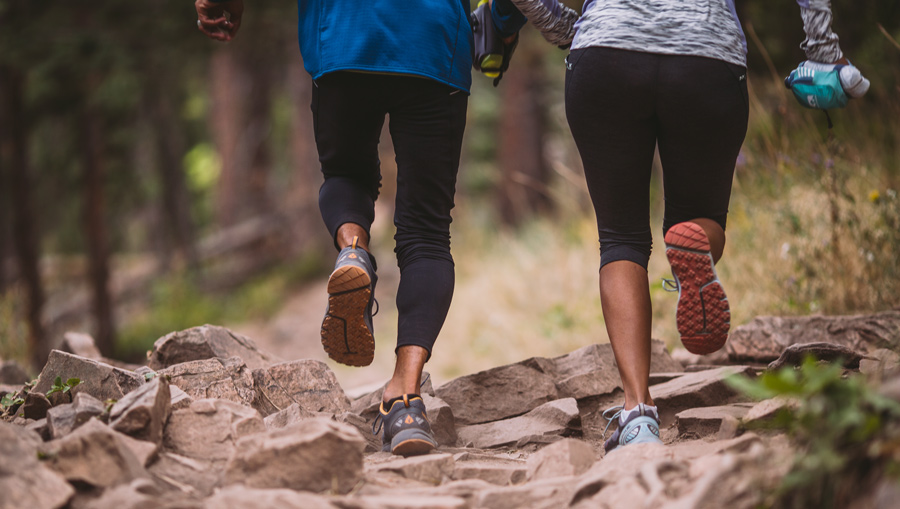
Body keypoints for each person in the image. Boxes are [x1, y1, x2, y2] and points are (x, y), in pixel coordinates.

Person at [500, 0, 868, 451]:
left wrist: (564, 27)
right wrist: (823, 49)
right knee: (703, 218)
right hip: (706, 56)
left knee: (620, 239)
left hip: (606, 52)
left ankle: (637, 414)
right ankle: (693, 243)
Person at [195, 0, 523, 456]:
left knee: (347, 177)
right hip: (433, 45)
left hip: (342, 38)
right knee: (427, 231)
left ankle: (352, 248)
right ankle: (405, 400)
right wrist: (502, 26)